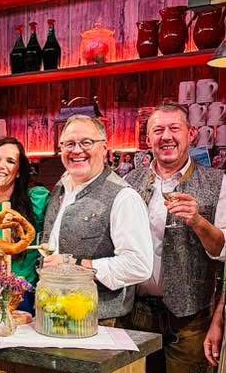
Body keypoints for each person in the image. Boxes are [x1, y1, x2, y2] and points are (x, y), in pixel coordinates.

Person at [122, 103, 226, 373]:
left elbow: (222, 250)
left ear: (191, 134)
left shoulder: (217, 182)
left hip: (191, 319)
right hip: (136, 313)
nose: (166, 136)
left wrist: (198, 221)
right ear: (148, 139)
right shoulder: (129, 182)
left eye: (174, 128)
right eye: (158, 130)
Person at [41, 115, 152, 322]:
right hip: (54, 313)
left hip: (101, 321)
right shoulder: (61, 186)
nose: (76, 150)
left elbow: (138, 266)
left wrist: (74, 264)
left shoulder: (124, 197)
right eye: (69, 144)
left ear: (104, 148)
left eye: (86, 142)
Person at [0, 138, 49, 314]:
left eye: (10, 161)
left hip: (24, 296)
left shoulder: (37, 199)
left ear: (18, 172)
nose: (1, 166)